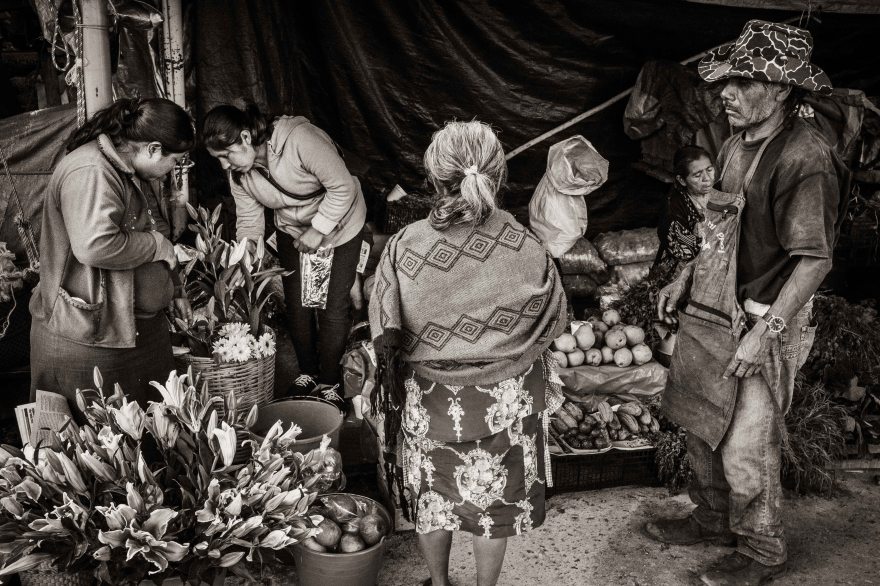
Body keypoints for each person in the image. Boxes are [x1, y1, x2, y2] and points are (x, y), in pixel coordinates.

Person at [644, 20, 848, 586]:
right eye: (726, 81)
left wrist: (766, 333)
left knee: (745, 446)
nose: (726, 92)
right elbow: (718, 227)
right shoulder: (735, 143)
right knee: (700, 423)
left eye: (743, 81)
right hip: (714, 310)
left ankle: (760, 550)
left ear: (782, 89)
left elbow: (815, 260)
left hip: (766, 319)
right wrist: (685, 275)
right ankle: (713, 521)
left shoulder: (805, 158)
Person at [368, 120, 568, 586]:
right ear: (495, 177)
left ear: (435, 177)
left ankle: (439, 584)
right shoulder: (523, 242)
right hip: (507, 400)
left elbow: (386, 325)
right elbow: (553, 314)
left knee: (433, 501)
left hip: (432, 403)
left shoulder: (405, 246)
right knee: (492, 504)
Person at [29, 97, 194, 408]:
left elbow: (149, 227)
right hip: (90, 337)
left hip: (134, 334)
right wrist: (156, 246)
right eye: (177, 161)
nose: (175, 170)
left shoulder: (130, 168)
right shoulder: (91, 171)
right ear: (154, 148)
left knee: (153, 438)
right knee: (101, 443)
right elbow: (96, 246)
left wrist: (173, 289)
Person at [202, 105, 366, 408]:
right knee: (299, 303)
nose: (225, 166)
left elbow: (342, 187)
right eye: (219, 160)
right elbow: (250, 222)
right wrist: (245, 257)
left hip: (340, 225)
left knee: (331, 305)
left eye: (227, 155)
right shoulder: (241, 175)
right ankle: (308, 374)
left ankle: (330, 382)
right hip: (294, 231)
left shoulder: (299, 139)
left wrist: (318, 230)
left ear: (246, 137)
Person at [651, 145, 716, 281]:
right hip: (683, 274)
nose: (707, 178)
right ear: (682, 180)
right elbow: (688, 252)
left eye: (709, 170)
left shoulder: (721, 192)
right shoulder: (673, 210)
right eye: (697, 175)